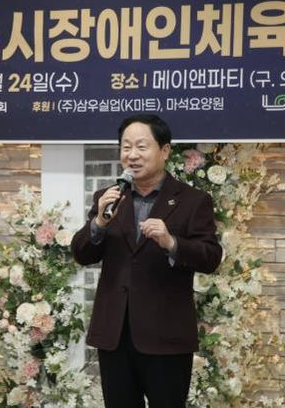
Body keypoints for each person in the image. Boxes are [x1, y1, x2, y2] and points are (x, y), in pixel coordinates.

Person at [71, 114, 222, 408]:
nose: (132, 155)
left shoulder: (193, 200)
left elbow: (211, 257)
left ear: (165, 151)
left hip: (166, 337)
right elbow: (81, 253)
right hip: (115, 335)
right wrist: (99, 223)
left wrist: (171, 243)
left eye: (141, 146)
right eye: (126, 147)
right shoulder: (108, 197)